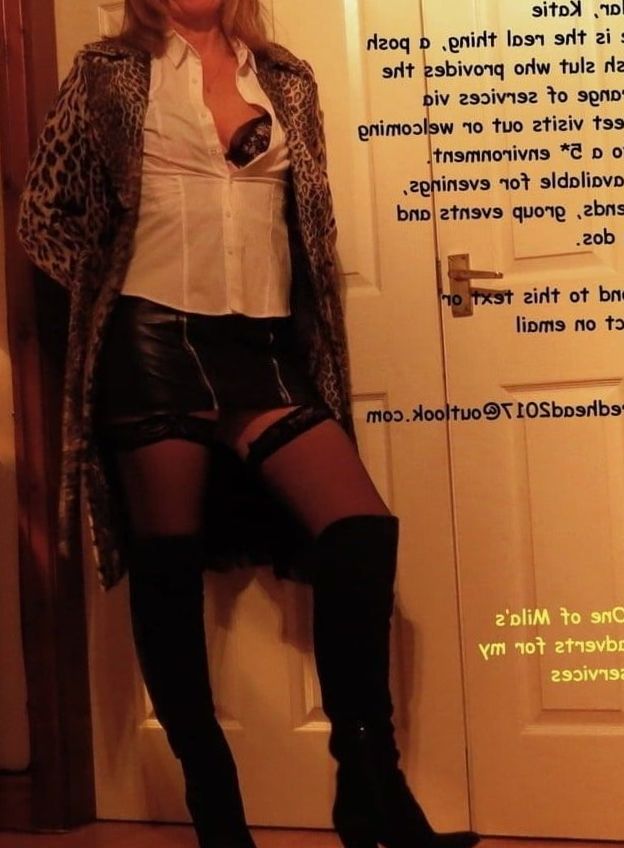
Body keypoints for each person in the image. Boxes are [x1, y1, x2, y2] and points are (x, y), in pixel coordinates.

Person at [17, 1, 480, 847]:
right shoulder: (108, 73)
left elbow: (309, 222)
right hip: (153, 338)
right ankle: (218, 808)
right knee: (168, 567)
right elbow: (42, 214)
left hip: (262, 345)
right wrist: (107, 289)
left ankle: (369, 782)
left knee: (360, 531)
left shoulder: (287, 80)